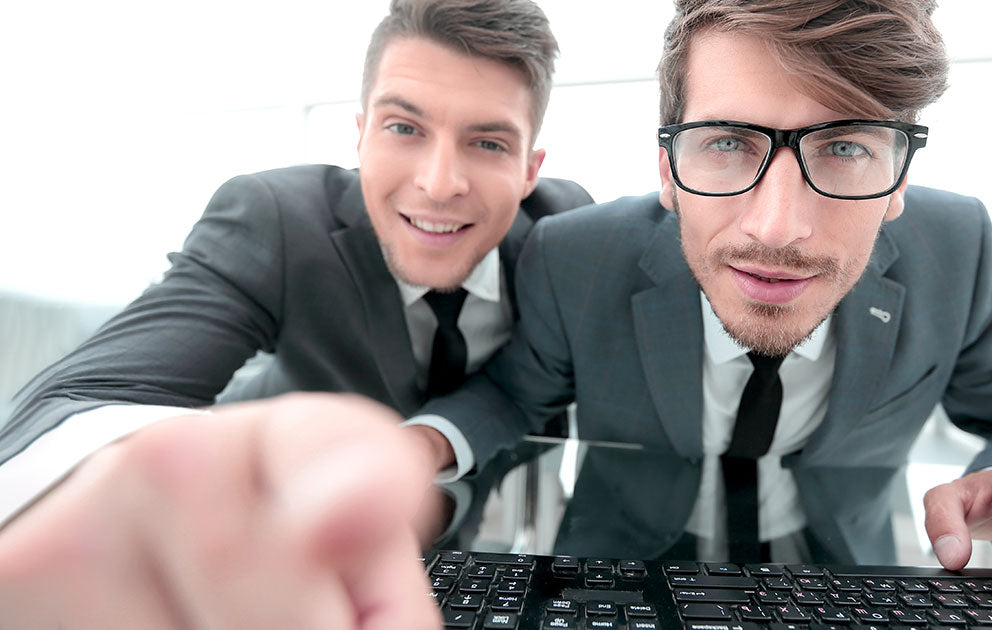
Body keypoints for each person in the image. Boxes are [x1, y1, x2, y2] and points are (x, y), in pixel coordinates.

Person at [419, 0, 992, 610]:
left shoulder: (956, 246)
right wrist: (426, 445)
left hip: (848, 577)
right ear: (667, 169)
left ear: (901, 174)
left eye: (844, 147)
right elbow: (517, 396)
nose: (776, 228)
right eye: (726, 143)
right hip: (617, 573)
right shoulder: (576, 254)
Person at [0, 0, 590, 626]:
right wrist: (153, 489)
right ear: (360, 133)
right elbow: (78, 399)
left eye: (488, 142)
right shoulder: (279, 220)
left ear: (530, 168)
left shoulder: (568, 237)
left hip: (497, 561)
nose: (440, 183)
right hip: (265, 544)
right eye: (404, 128)